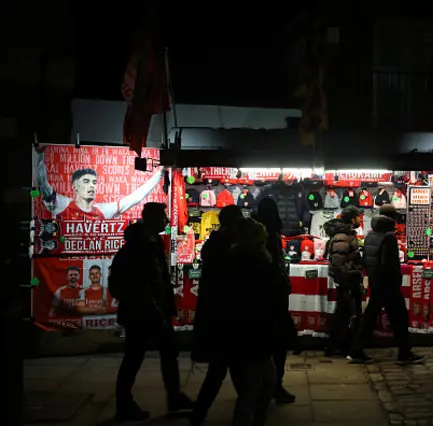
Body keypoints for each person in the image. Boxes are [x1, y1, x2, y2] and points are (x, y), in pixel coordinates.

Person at [191, 211, 278, 426]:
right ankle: (248, 418)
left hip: (232, 327)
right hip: (247, 329)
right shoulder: (249, 260)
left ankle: (201, 414)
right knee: (255, 382)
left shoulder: (231, 256)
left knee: (229, 375)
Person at [110, 202, 192, 422]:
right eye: (163, 216)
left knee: (162, 352)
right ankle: (125, 404)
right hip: (144, 312)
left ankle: (172, 396)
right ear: (153, 218)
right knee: (135, 357)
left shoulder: (148, 242)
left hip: (149, 310)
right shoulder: (142, 245)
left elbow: (158, 281)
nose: (166, 220)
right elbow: (143, 285)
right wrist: (158, 312)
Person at [347, 204, 423, 364]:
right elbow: (389, 265)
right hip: (388, 285)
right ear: (391, 217)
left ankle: (356, 351)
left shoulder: (370, 235)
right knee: (399, 318)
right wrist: (395, 282)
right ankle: (404, 353)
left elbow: (367, 261)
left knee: (370, 317)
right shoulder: (388, 237)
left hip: (376, 283)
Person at [35, 145, 164, 219]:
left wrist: (159, 174)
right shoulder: (61, 204)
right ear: (75, 187)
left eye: (94, 182)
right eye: (86, 181)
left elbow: (135, 198)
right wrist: (40, 156)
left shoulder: (104, 210)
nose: (91, 186)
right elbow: (43, 185)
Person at [254, 197, 298, 404]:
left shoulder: (255, 232)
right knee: (277, 344)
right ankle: (273, 385)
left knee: (263, 346)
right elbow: (274, 268)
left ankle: (263, 386)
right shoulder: (269, 235)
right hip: (273, 298)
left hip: (260, 300)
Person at [322, 205, 364, 357]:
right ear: (352, 219)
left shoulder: (345, 235)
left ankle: (339, 346)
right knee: (343, 315)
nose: (360, 220)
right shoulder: (342, 237)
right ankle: (337, 346)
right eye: (358, 217)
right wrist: (350, 276)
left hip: (348, 281)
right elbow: (338, 263)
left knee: (344, 314)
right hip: (347, 282)